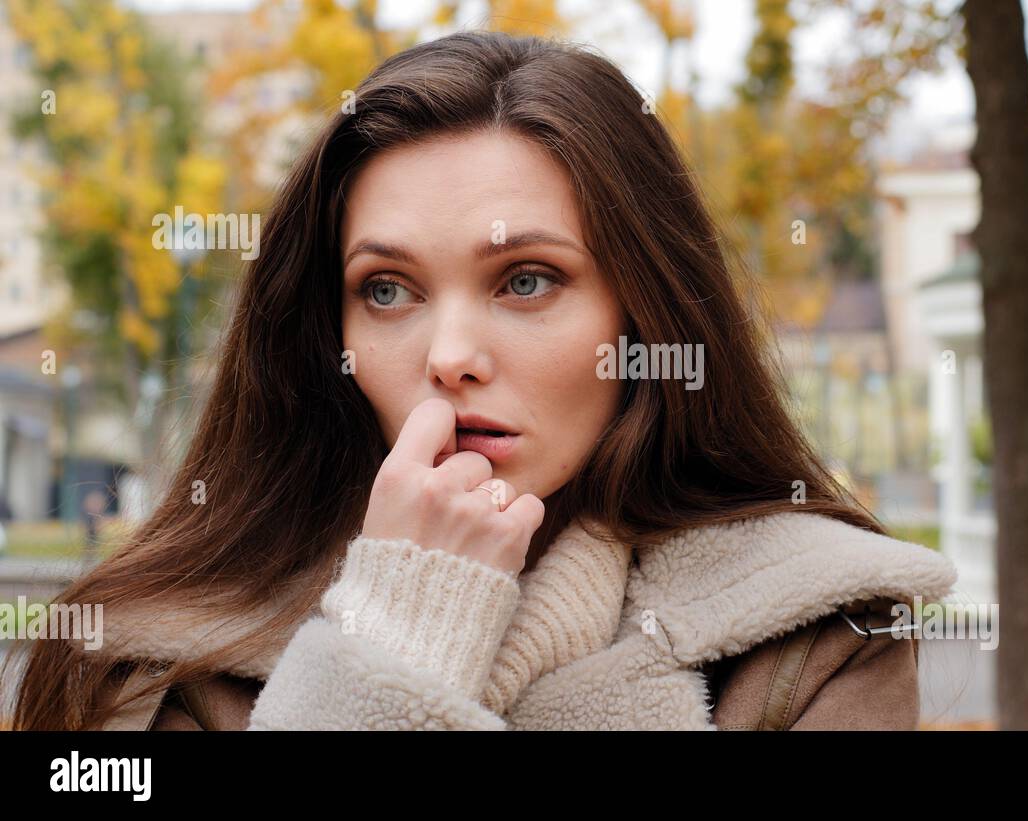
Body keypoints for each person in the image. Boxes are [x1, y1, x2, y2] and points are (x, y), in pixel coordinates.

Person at [3, 30, 955, 731]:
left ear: (645, 310)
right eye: (386, 289)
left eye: (526, 280)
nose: (448, 355)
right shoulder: (148, 656)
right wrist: (391, 639)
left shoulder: (815, 629)